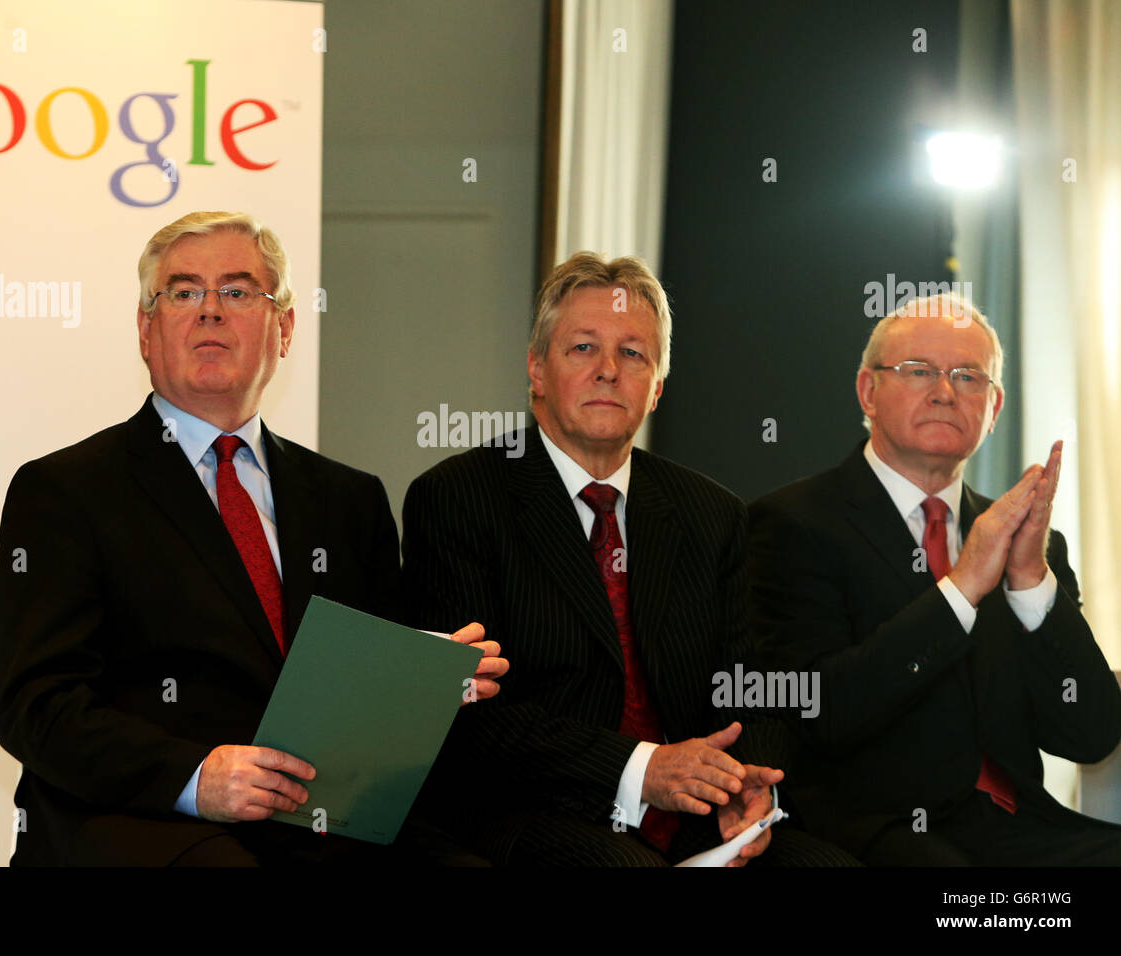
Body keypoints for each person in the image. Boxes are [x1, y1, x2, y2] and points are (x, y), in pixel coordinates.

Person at [0, 211, 504, 866]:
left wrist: (426, 684)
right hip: (139, 816)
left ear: (284, 328)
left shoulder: (351, 500)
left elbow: (358, 684)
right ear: (147, 330)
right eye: (182, 292)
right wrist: (195, 777)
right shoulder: (64, 491)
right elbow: (36, 707)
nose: (210, 312)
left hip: (316, 816)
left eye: (236, 291)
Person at [402, 252, 857, 866]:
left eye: (633, 353)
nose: (609, 371)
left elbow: (752, 681)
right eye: (583, 348)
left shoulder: (711, 512)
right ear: (537, 369)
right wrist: (642, 768)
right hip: (532, 812)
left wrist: (748, 781)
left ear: (659, 385)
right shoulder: (458, 498)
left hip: (695, 814)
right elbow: (473, 717)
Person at [748, 294, 1121, 865]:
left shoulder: (1024, 540)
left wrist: (1028, 578)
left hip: (1020, 830)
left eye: (968, 376)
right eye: (919, 371)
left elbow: (1090, 734)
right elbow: (821, 712)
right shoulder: (793, 523)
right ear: (868, 392)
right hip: (871, 828)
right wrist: (964, 585)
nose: (945, 391)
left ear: (994, 407)